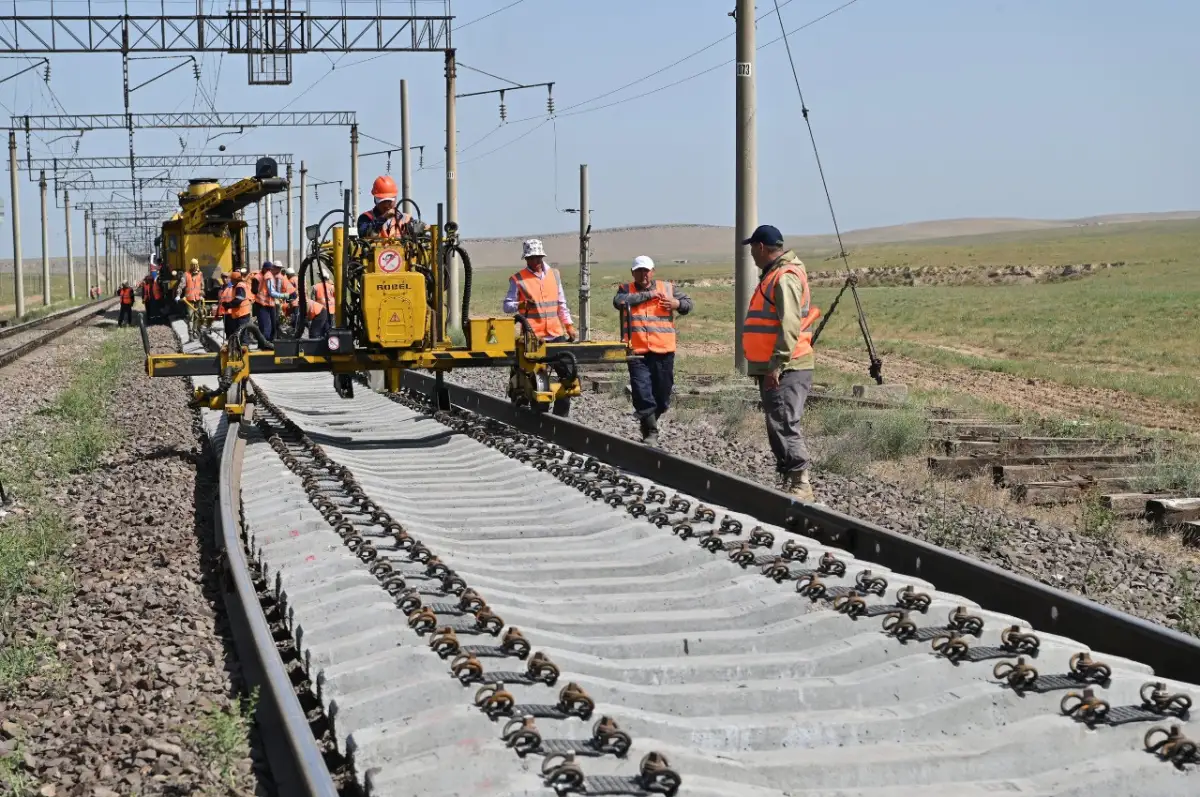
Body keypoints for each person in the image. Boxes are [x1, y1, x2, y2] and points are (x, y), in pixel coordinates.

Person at [741, 224, 822, 502]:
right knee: (778, 420)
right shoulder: (776, 275)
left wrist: (777, 363)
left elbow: (790, 324)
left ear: (761, 248)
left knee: (785, 421)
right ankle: (792, 481)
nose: (751, 253)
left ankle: (801, 483)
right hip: (779, 364)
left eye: (752, 247)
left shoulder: (784, 277)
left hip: (787, 365)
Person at [613, 256, 693, 446]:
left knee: (663, 395)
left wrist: (677, 304)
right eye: (639, 271)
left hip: (663, 350)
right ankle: (651, 431)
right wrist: (649, 295)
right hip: (636, 351)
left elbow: (689, 304)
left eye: (646, 271)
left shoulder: (668, 288)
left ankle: (648, 420)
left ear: (653, 271)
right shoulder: (625, 290)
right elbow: (620, 302)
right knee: (642, 392)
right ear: (633, 273)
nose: (643, 275)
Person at [503, 239, 577, 416]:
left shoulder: (554, 275)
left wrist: (569, 326)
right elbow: (507, 306)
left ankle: (560, 418)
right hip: (533, 337)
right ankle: (538, 416)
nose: (535, 261)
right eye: (531, 258)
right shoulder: (518, 279)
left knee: (568, 376)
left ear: (542, 256)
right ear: (526, 259)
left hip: (555, 334)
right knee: (537, 380)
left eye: (538, 257)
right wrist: (521, 304)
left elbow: (561, 304)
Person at [222, 267, 252, 340]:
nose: (230, 281)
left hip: (242, 313)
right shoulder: (236, 286)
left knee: (242, 334)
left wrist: (229, 305)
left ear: (234, 279)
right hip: (239, 313)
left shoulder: (239, 286)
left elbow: (239, 299)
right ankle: (240, 347)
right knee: (239, 333)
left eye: (231, 279)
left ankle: (244, 347)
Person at [307, 268, 336, 339]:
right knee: (329, 328)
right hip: (331, 310)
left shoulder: (315, 287)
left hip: (320, 311)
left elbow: (312, 300)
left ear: (320, 276)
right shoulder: (332, 287)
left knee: (320, 328)